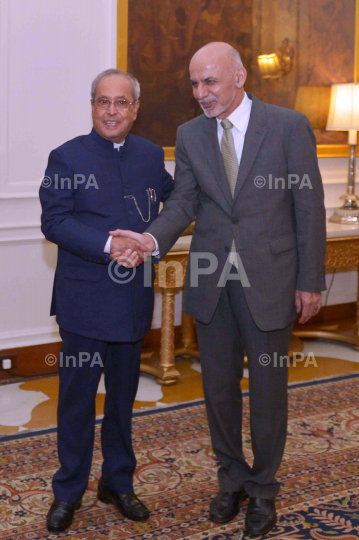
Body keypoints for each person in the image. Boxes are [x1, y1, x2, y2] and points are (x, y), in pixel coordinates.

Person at [111, 42, 326, 536]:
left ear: (239, 76)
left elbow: (308, 208)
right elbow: (183, 201)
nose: (201, 93)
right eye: (194, 83)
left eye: (210, 81)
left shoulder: (288, 126)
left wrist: (311, 282)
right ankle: (231, 479)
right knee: (218, 390)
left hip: (271, 282)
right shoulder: (190, 135)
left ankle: (264, 492)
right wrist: (148, 239)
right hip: (212, 282)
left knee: (269, 392)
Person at [39, 68, 173, 533]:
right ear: (92, 106)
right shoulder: (66, 157)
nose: (111, 111)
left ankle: (117, 483)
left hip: (132, 302)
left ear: (135, 108)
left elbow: (173, 207)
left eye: (121, 103)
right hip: (83, 302)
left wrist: (149, 240)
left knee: (122, 401)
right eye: (103, 102)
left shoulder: (152, 155)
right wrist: (109, 246)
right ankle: (68, 491)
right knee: (76, 404)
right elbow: (54, 221)